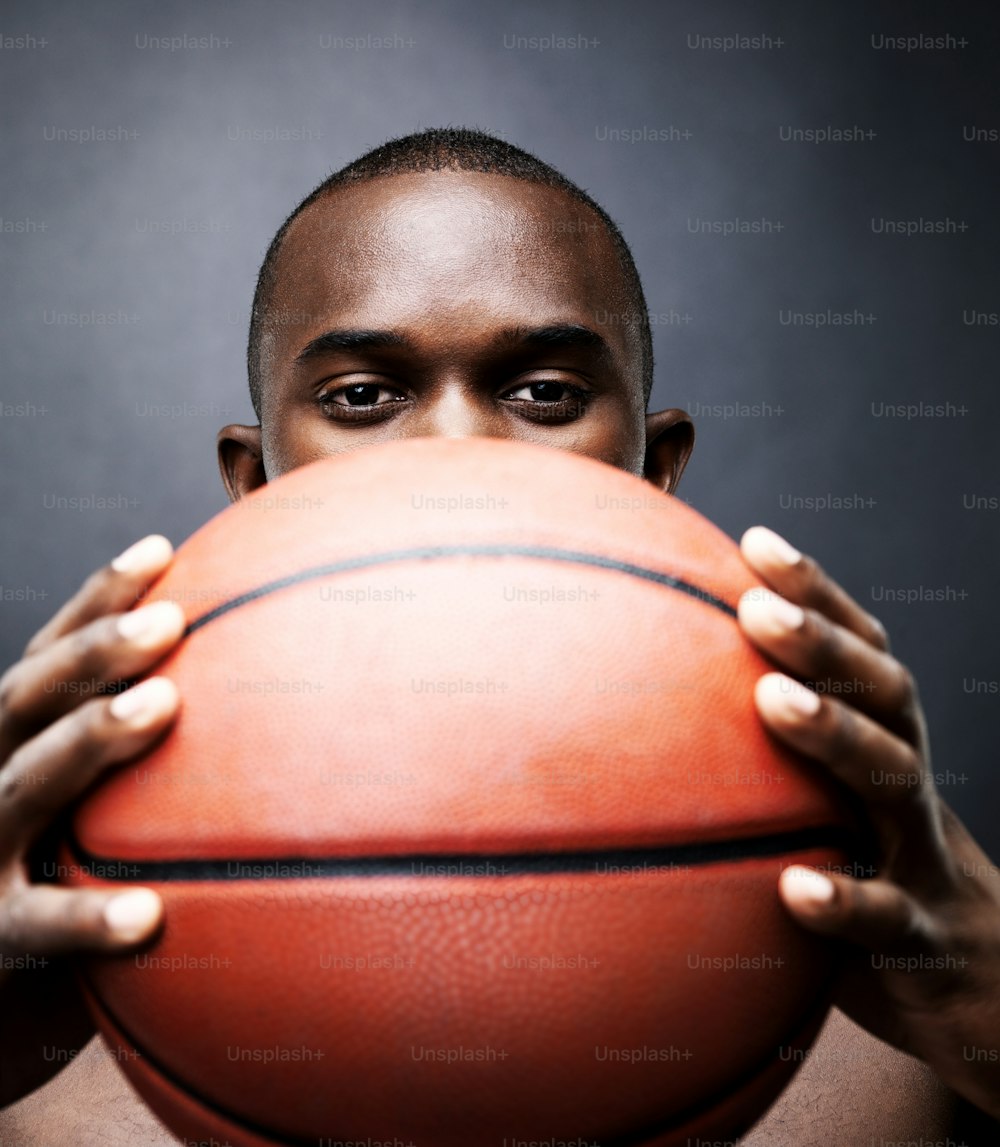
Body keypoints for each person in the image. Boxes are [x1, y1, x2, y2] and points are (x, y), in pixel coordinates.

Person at [1, 128, 997, 1145]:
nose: (457, 451)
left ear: (653, 471)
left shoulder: (895, 973)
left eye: (545, 395)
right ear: (254, 487)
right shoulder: (48, 1000)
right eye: (361, 398)